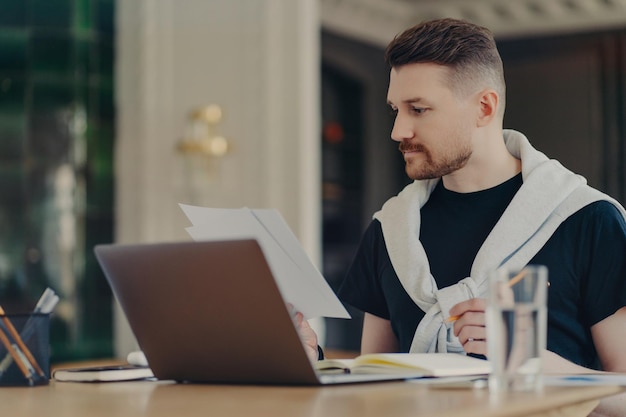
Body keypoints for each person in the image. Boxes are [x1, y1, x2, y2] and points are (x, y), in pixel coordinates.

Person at [295, 17, 626, 416]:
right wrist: (309, 361)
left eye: (418, 109)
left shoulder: (589, 220)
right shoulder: (390, 230)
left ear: (484, 107)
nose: (398, 130)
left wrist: (532, 363)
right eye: (396, 110)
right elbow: (372, 391)